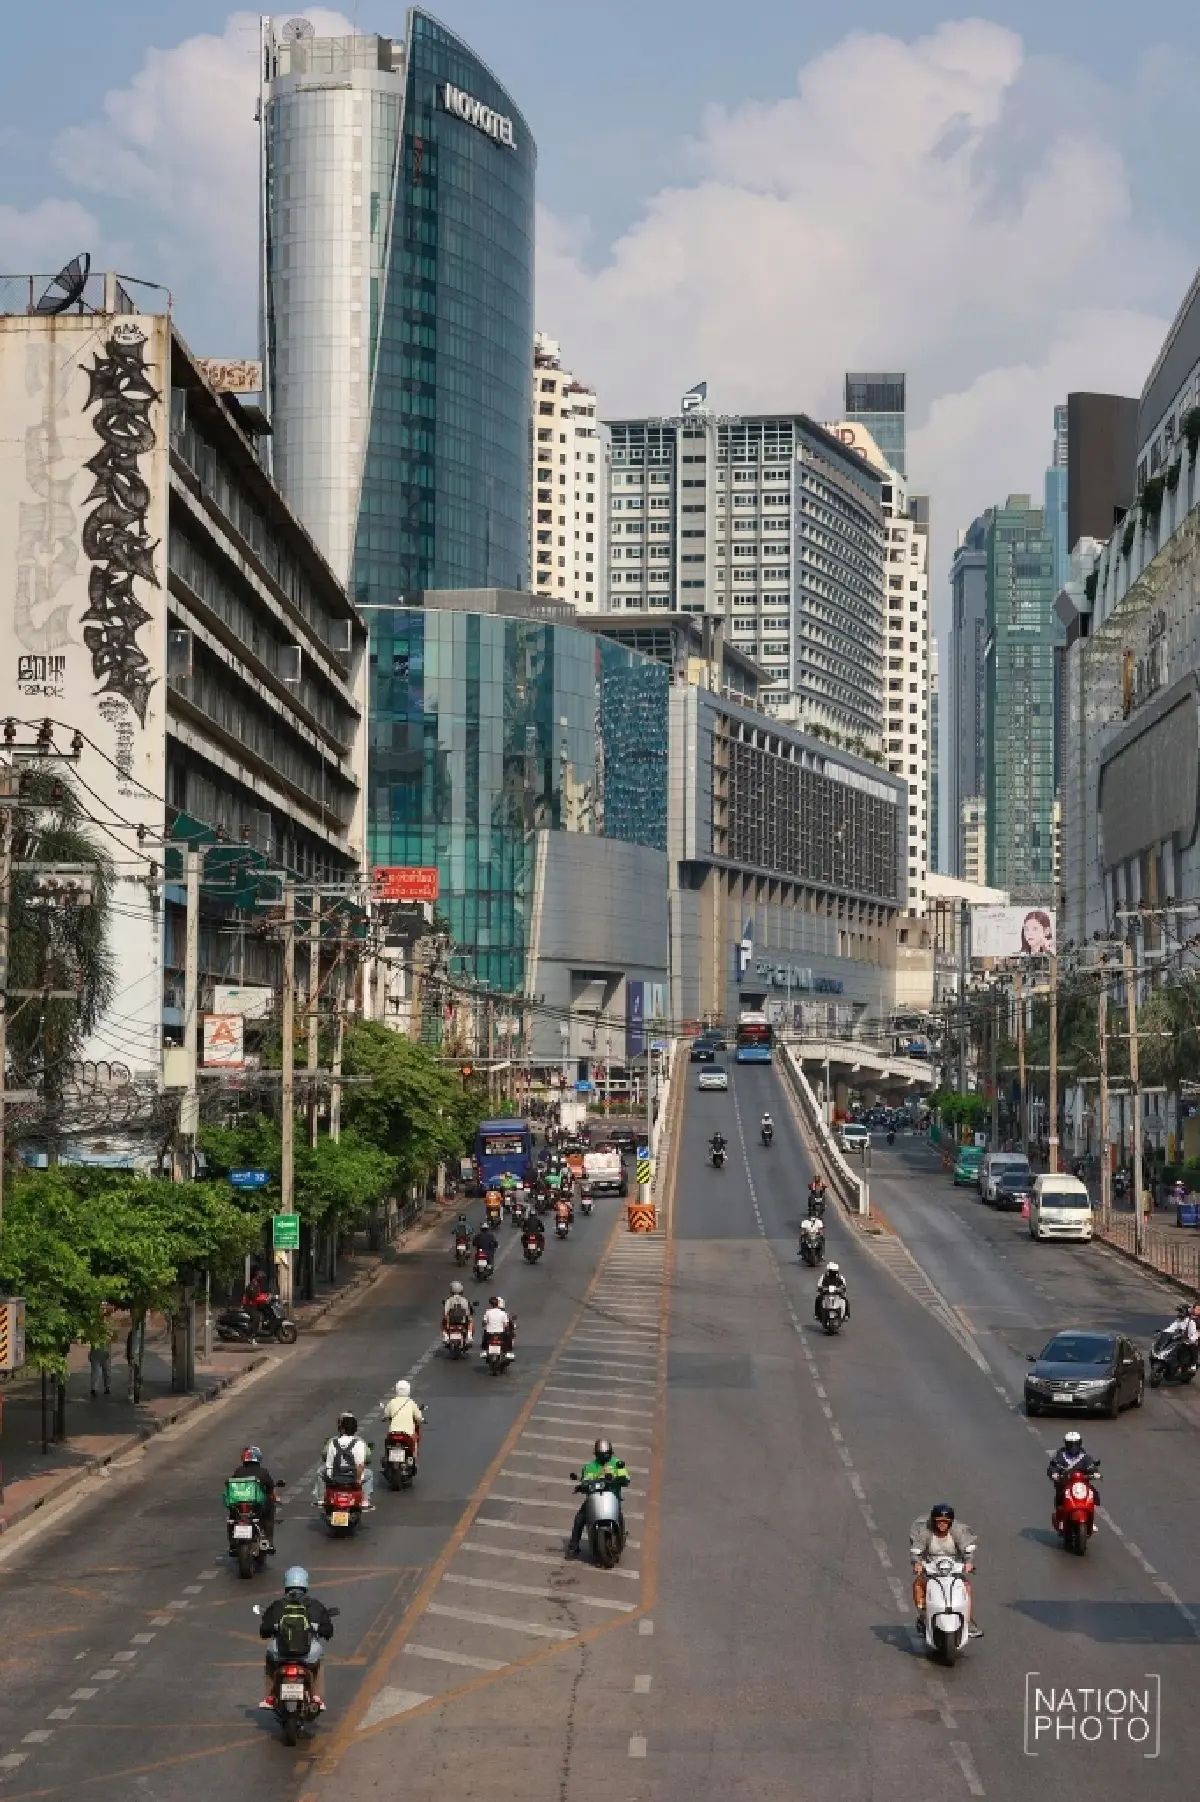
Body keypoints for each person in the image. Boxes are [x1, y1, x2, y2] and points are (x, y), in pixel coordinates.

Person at [259, 1565, 336, 1711]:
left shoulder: (277, 1605)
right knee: (319, 1661)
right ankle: (316, 1696)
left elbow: (264, 1631)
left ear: (286, 1582)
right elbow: (328, 1631)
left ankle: (270, 1696)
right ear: (305, 1582)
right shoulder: (315, 1605)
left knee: (269, 1657)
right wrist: (319, 1629)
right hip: (308, 1655)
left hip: (280, 1654)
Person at [910, 1504, 981, 1637]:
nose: (942, 1524)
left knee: (967, 1587)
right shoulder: (925, 1532)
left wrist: (968, 1562)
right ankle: (923, 1617)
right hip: (931, 1568)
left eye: (945, 1522)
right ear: (933, 1521)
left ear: (950, 1522)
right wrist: (917, 1563)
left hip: (954, 1569)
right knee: (918, 1586)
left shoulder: (958, 1531)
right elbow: (916, 1550)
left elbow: (967, 1548)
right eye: (939, 1521)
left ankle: (968, 1622)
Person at [567, 1438, 630, 1557]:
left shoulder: (617, 1463)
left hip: (613, 1498)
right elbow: (585, 1480)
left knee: (619, 1517)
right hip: (594, 1498)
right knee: (579, 1519)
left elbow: (625, 1477)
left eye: (606, 1454)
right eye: (601, 1455)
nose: (604, 1457)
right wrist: (582, 1486)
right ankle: (573, 1547)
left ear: (610, 1453)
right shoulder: (590, 1467)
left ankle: (620, 1539)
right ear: (596, 1454)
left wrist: (622, 1479)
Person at [317, 1411, 373, 1507]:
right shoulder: (359, 1443)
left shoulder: (333, 1442)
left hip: (334, 1477)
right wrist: (358, 1480)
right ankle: (365, 1501)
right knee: (369, 1474)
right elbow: (360, 1465)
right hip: (352, 1478)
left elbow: (328, 1463)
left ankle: (321, 1499)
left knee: (320, 1471)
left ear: (341, 1428)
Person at [231, 1444, 280, 1551]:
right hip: (257, 1505)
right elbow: (270, 1487)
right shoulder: (263, 1472)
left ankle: (232, 1543)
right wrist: (274, 1497)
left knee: (232, 1518)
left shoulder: (238, 1471)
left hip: (239, 1504)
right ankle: (269, 1541)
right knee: (269, 1514)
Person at [1047, 1430, 1101, 1510]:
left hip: (1082, 1485)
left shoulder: (1085, 1457)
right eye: (1070, 1444)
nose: (1073, 1447)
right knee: (1060, 1496)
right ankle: (1059, 1514)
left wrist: (1095, 1473)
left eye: (1076, 1444)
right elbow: (1053, 1467)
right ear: (1066, 1444)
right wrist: (1054, 1473)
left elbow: (1091, 1466)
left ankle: (1092, 1511)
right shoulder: (1061, 1456)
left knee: (1094, 1494)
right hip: (1066, 1483)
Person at [381, 1380, 425, 1465]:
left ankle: (387, 1458)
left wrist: (385, 1418)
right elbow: (418, 1417)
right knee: (414, 1442)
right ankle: (413, 1460)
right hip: (407, 1434)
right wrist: (422, 1420)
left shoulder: (392, 1402)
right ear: (408, 1389)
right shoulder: (411, 1403)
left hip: (393, 1433)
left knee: (387, 1443)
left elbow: (386, 1414)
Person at [480, 1294, 514, 1361]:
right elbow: (506, 1325)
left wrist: (486, 1325)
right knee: (508, 1336)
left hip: (489, 1334)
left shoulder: (488, 1312)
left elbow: (484, 1323)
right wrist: (507, 1331)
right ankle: (508, 1351)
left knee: (484, 1335)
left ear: (491, 1304)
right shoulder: (503, 1313)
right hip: (500, 1334)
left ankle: (484, 1349)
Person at [442, 1280, 474, 1344]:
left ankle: (445, 1336)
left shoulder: (449, 1300)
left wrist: (446, 1320)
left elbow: (445, 1312)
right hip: (462, 1321)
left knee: (442, 1322)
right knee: (471, 1321)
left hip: (451, 1321)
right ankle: (469, 1335)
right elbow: (467, 1313)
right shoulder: (464, 1300)